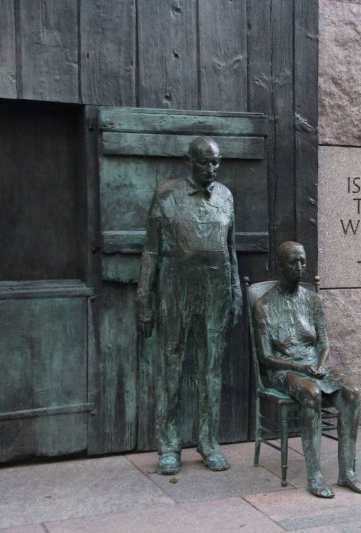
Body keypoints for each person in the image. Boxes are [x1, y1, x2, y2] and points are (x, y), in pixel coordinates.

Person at [136, 136, 243, 474]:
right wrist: (144, 300)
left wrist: (235, 291)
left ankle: (208, 442)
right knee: (171, 367)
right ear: (189, 161)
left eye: (215, 162)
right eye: (203, 162)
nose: (210, 168)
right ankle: (168, 446)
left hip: (215, 292)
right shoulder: (166, 194)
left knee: (210, 370)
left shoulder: (225, 196)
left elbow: (231, 249)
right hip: (174, 291)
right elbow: (151, 251)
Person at [253, 241, 361, 498]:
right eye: (294, 262)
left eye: (303, 261)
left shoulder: (312, 300)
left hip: (315, 366)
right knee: (312, 393)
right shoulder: (264, 305)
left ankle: (347, 473)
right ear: (280, 266)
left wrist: (318, 364)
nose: (300, 267)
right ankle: (315, 476)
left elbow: (324, 343)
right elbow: (266, 356)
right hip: (284, 370)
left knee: (352, 391)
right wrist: (300, 366)